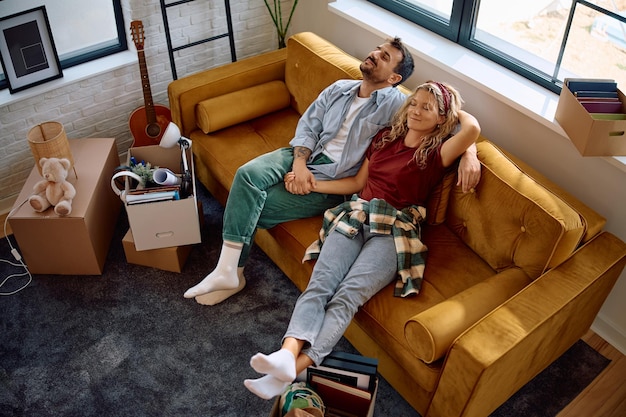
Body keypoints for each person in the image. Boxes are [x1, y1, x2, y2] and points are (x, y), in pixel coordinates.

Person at [183, 37, 479, 305]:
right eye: (378, 48)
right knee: (247, 175)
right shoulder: (338, 88)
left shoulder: (398, 104)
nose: (375, 54)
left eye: (385, 57)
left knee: (254, 208)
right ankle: (228, 272)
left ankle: (232, 272)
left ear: (394, 78)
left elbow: (446, 119)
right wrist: (299, 165)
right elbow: (309, 127)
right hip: (302, 155)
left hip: (332, 179)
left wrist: (470, 151)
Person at [243, 81, 480, 400]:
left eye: (427, 107)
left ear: (442, 118)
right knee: (320, 284)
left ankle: (294, 370)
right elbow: (357, 182)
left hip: (397, 229)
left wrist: (470, 150)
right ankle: (286, 355)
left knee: (346, 297)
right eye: (414, 103)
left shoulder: (437, 152)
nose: (416, 111)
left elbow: (472, 127)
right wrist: (310, 185)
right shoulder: (385, 138)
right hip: (357, 212)